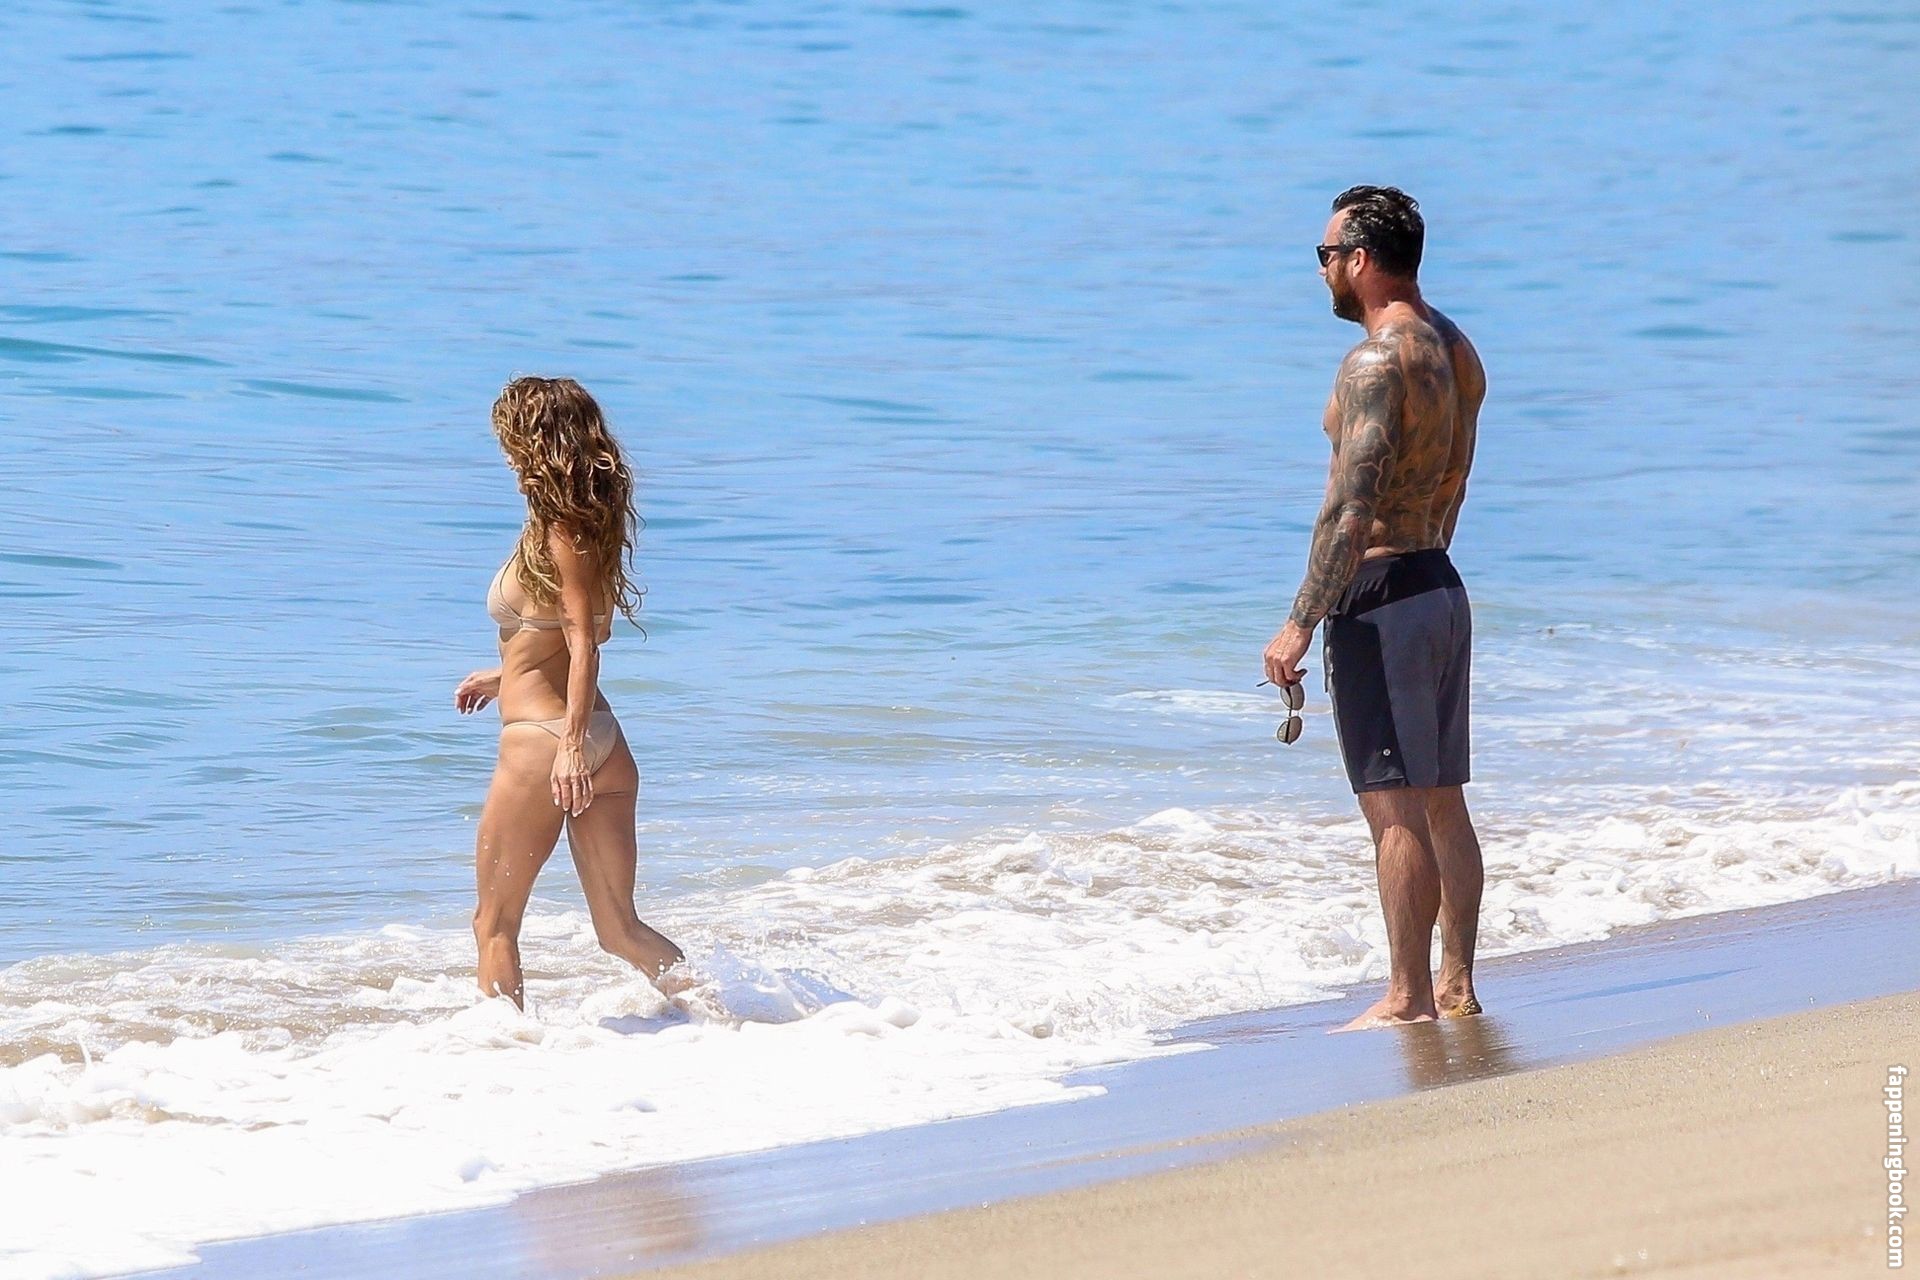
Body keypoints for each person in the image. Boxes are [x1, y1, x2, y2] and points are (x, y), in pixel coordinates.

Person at [1263, 186, 1488, 1031]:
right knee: (1442, 799)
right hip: (1439, 583)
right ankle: (1455, 984)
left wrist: (1302, 620)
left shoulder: (1373, 362)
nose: (1322, 269)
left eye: (1326, 255)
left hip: (1384, 595)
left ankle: (1406, 996)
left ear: (1360, 260)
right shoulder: (1456, 351)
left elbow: (1350, 507)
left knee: (1393, 805)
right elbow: (1454, 480)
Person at [455, 376, 683, 1007]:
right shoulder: (588, 527)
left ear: (535, 445)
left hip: (548, 742)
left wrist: (570, 747)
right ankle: (728, 1013)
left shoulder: (559, 530)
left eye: (510, 441)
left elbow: (585, 644)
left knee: (493, 924)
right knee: (620, 930)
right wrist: (504, 675)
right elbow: (571, 632)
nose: (505, 455)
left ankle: (503, 1050)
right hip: (603, 740)